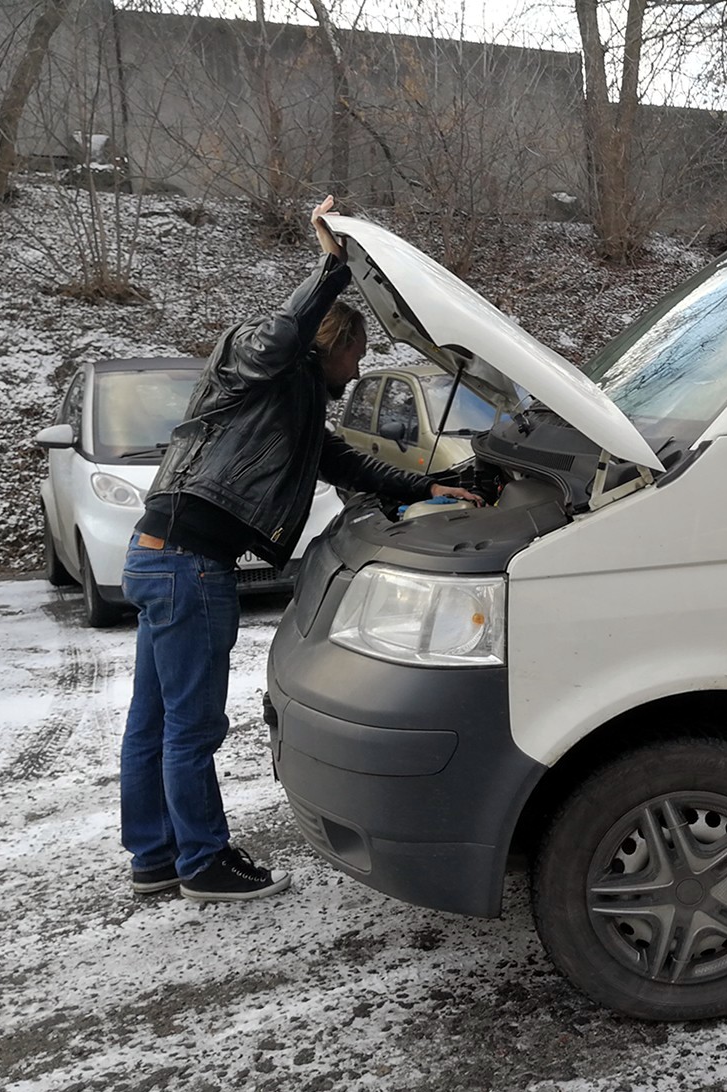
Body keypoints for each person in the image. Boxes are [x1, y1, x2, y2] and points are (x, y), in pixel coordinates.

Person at [119, 195, 478, 902]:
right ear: (332, 338)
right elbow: (276, 342)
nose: (359, 367)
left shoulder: (294, 406)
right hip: (189, 564)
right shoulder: (255, 357)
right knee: (192, 726)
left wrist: (435, 484)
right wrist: (329, 271)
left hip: (161, 556)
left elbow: (348, 464)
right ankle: (202, 862)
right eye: (358, 352)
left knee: (154, 720)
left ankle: (155, 856)